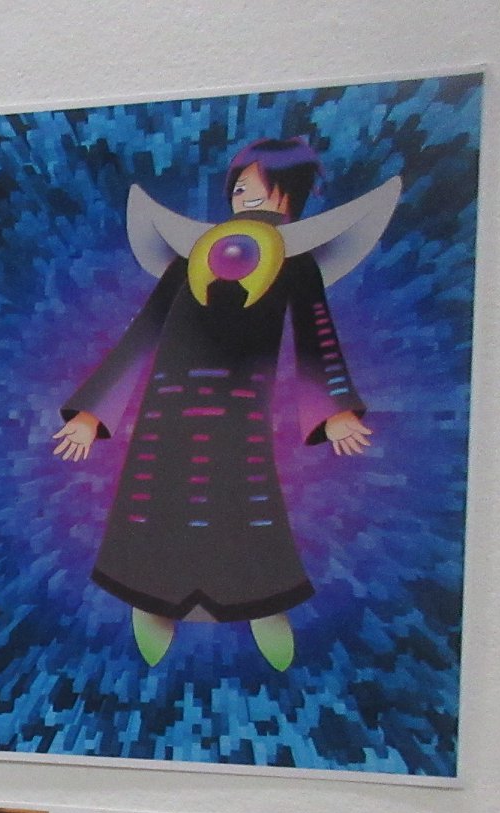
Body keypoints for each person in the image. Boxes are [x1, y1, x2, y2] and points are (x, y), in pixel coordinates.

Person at [51, 138, 390, 670]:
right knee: (154, 504)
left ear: (290, 195)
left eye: (259, 189)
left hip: (239, 414)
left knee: (243, 504)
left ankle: (263, 605)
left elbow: (316, 335)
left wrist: (334, 408)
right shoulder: (189, 260)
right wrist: (93, 413)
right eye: (238, 188)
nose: (244, 198)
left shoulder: (297, 265)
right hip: (166, 414)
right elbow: (143, 333)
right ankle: (150, 601)